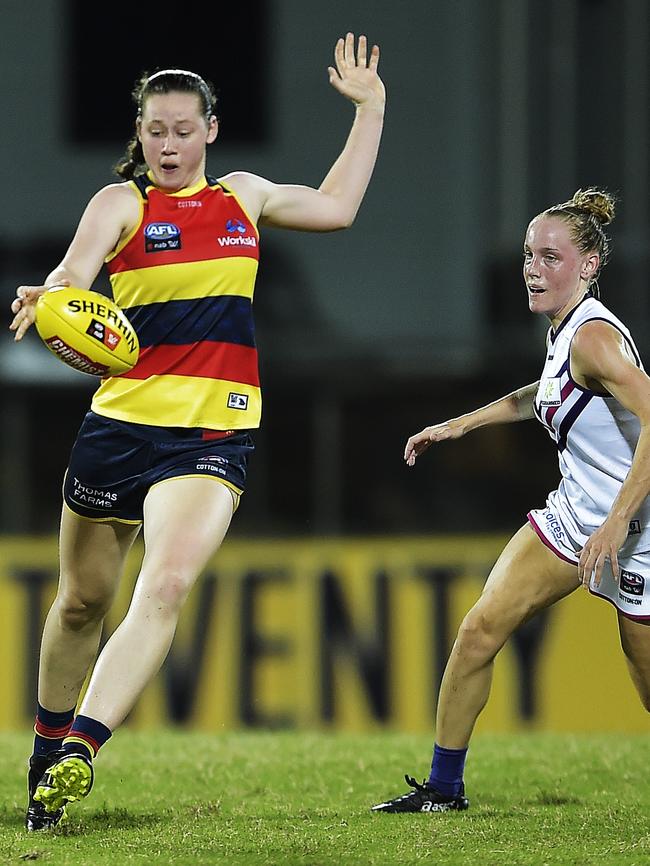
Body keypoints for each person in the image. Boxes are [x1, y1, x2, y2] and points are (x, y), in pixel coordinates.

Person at [11, 33, 385, 831]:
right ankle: (45, 749)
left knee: (168, 586)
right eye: (155, 130)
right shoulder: (122, 205)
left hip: (214, 433)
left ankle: (81, 748)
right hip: (120, 426)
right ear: (139, 133)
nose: (169, 144)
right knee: (81, 602)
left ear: (211, 129)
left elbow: (339, 207)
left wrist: (371, 109)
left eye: (184, 129)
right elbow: (75, 277)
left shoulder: (244, 197)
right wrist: (48, 299)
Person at [372, 188, 650, 814]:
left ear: (590, 266)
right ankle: (443, 790)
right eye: (529, 255)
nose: (533, 267)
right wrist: (460, 425)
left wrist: (619, 522)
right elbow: (542, 395)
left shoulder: (594, 339)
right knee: (478, 631)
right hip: (578, 514)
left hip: (637, 526)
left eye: (551, 256)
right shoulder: (566, 331)